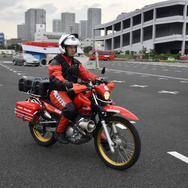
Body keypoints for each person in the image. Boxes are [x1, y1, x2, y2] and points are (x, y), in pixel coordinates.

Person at [48, 34, 98, 144]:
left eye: (74, 47)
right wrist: (65, 83)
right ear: (63, 47)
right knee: (70, 108)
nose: (73, 49)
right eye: (70, 47)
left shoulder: (75, 62)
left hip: (73, 90)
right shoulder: (56, 61)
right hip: (58, 91)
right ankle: (59, 132)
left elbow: (85, 74)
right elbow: (56, 75)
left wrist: (97, 80)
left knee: (92, 104)